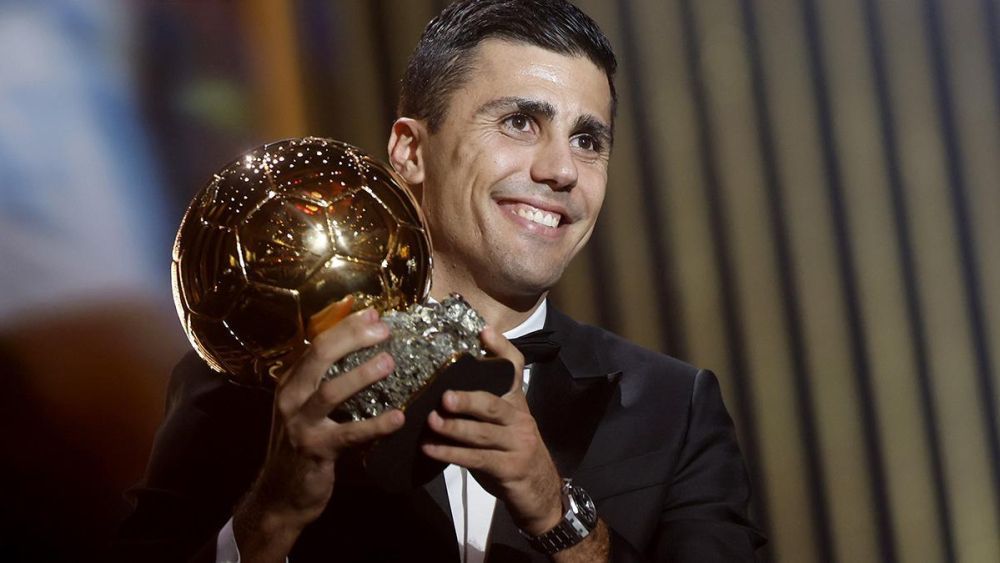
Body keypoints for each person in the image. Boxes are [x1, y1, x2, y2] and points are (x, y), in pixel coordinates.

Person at [115, 1, 765, 561]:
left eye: (589, 140)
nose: (563, 170)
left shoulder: (673, 409)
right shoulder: (257, 381)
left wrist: (556, 511)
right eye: (520, 122)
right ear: (409, 151)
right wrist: (272, 515)